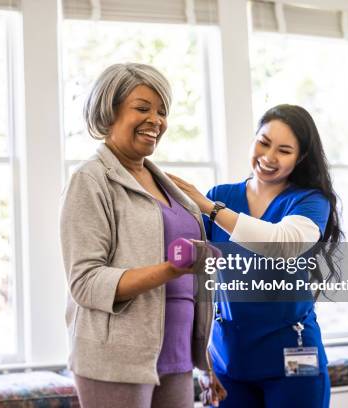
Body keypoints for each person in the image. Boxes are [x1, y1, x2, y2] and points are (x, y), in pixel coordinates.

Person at [59, 63, 226, 408]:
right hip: (116, 362)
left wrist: (204, 362)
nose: (156, 120)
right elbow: (86, 282)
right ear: (109, 111)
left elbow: (189, 288)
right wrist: (172, 268)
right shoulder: (90, 181)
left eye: (162, 111)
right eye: (142, 108)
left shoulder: (168, 185)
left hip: (177, 357)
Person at [168, 104, 343, 408]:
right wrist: (202, 360)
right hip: (229, 358)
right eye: (263, 142)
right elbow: (195, 281)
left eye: (284, 150)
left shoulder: (310, 201)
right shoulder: (222, 193)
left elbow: (284, 245)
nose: (268, 157)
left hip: (294, 356)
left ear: (300, 157)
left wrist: (211, 209)